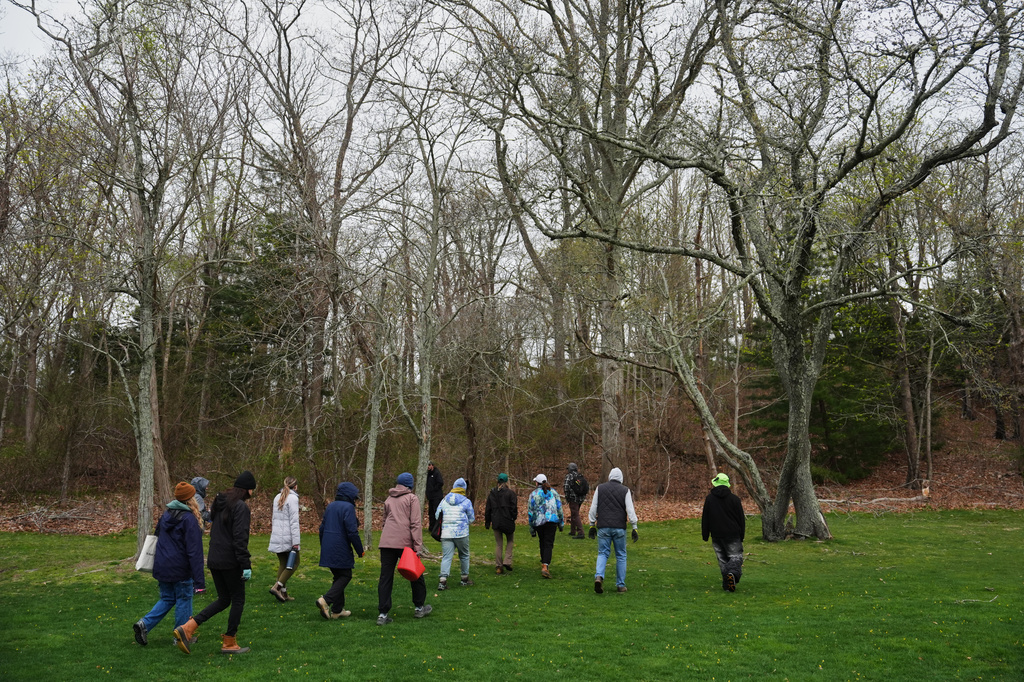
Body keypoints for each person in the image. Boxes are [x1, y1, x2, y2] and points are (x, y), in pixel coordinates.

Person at [174, 470, 256, 655]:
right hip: (230, 561)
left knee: (223, 599)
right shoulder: (241, 507)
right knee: (238, 599)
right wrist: (245, 565)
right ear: (248, 491)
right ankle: (229, 642)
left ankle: (187, 628)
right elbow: (239, 538)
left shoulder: (221, 502)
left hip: (215, 558)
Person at [133, 482, 206, 647]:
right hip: (180, 568)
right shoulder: (189, 519)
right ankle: (181, 636)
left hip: (162, 564)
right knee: (184, 598)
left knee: (167, 598)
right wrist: (199, 581)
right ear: (191, 499)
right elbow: (194, 552)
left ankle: (144, 624)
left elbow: (158, 536)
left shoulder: (166, 515)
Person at [376, 472, 432, 625]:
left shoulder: (388, 499)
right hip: (405, 543)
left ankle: (382, 613)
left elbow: (384, 521)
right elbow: (415, 524)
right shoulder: (412, 499)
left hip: (386, 543)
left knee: (385, 577)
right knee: (416, 574)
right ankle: (419, 607)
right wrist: (417, 546)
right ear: (410, 485)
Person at [316, 482, 364, 619]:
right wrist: (360, 550)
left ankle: (337, 610)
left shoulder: (330, 506)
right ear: (350, 496)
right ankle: (325, 600)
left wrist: (323, 545)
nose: (355, 500)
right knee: (345, 576)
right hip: (340, 547)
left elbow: (321, 529)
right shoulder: (348, 507)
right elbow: (352, 532)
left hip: (328, 546)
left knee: (338, 576)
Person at [586, 467, 639, 594]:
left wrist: (592, 524)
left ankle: (599, 576)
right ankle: (620, 585)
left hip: (603, 526)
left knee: (602, 553)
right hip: (619, 528)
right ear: (621, 478)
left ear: (609, 476)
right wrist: (634, 527)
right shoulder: (625, 490)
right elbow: (630, 510)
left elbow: (593, 507)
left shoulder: (600, 488)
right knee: (621, 555)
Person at [701, 472, 745, 592]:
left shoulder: (709, 499)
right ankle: (733, 575)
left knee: (723, 560)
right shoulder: (735, 500)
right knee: (736, 557)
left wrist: (705, 534)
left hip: (716, 534)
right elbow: (741, 519)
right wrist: (742, 535)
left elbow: (706, 517)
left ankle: (727, 585)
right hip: (732, 534)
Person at [436, 477, 476, 590]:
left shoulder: (444, 500)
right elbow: (471, 518)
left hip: (446, 533)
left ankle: (442, 581)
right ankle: (464, 579)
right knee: (464, 555)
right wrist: (465, 523)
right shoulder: (466, 501)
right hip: (461, 533)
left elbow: (437, 515)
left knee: (446, 557)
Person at [268, 476, 301, 602]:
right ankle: (277, 587)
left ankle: (284, 594)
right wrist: (296, 542)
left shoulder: (277, 496)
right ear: (296, 486)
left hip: (277, 536)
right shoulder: (293, 499)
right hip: (288, 538)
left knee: (283, 563)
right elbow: (294, 522)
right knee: (294, 562)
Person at [526, 473, 563, 578]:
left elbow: (530, 512)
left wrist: (532, 527)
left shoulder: (533, 494)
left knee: (542, 541)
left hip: (539, 522)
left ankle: (544, 563)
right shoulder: (554, 493)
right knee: (548, 543)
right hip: (552, 521)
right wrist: (561, 522)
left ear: (536, 482)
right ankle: (545, 565)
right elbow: (559, 508)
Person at [484, 473, 518, 575]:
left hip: (496, 521)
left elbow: (488, 509)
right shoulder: (511, 494)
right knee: (510, 541)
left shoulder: (492, 494)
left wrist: (487, 522)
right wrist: (513, 517)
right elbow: (513, 508)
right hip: (507, 520)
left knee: (499, 544)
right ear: (506, 481)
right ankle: (507, 561)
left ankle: (499, 566)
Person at [563, 463, 590, 539]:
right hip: (580, 498)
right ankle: (573, 531)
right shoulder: (580, 476)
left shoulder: (569, 476)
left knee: (575, 514)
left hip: (573, 499)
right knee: (574, 513)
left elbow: (566, 488)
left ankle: (581, 532)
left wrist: (567, 498)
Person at [426, 461, 444, 541]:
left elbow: (440, 483)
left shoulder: (436, 473)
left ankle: (437, 528)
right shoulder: (427, 474)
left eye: (429, 465)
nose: (428, 467)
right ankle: (431, 527)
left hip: (437, 496)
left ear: (432, 465)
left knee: (437, 512)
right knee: (431, 512)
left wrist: (433, 490)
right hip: (431, 497)